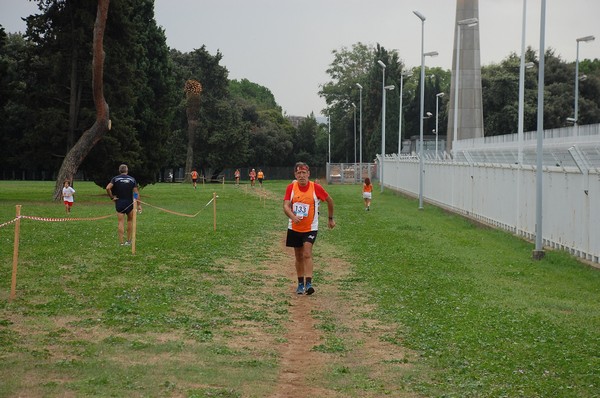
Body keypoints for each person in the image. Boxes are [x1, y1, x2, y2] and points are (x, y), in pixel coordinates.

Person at [283, 162, 335, 295]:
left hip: (310, 227)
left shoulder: (315, 187)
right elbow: (286, 206)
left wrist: (330, 218)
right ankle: (300, 283)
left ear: (308, 174)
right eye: (299, 173)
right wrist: (292, 216)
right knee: (298, 256)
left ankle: (309, 283)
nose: (301, 176)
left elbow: (330, 200)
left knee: (307, 253)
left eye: (304, 173)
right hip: (294, 227)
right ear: (295, 174)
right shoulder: (291, 188)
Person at [106, 164, 142, 246]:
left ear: (119, 171)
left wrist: (111, 197)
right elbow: (136, 192)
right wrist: (138, 204)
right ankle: (128, 241)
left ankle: (121, 242)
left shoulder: (115, 179)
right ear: (127, 170)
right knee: (129, 221)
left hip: (120, 203)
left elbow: (108, 188)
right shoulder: (132, 179)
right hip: (130, 203)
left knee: (120, 222)